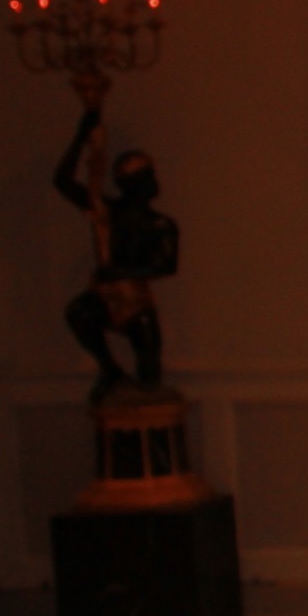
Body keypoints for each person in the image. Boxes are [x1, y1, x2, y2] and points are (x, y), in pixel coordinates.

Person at [51, 104, 179, 399]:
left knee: (151, 377)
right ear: (130, 185)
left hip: (137, 301)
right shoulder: (107, 213)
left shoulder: (160, 224)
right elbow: (63, 181)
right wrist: (81, 136)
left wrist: (120, 271)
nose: (153, 182)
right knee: (79, 313)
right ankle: (109, 369)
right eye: (145, 177)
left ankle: (138, 390)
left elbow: (165, 265)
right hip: (106, 296)